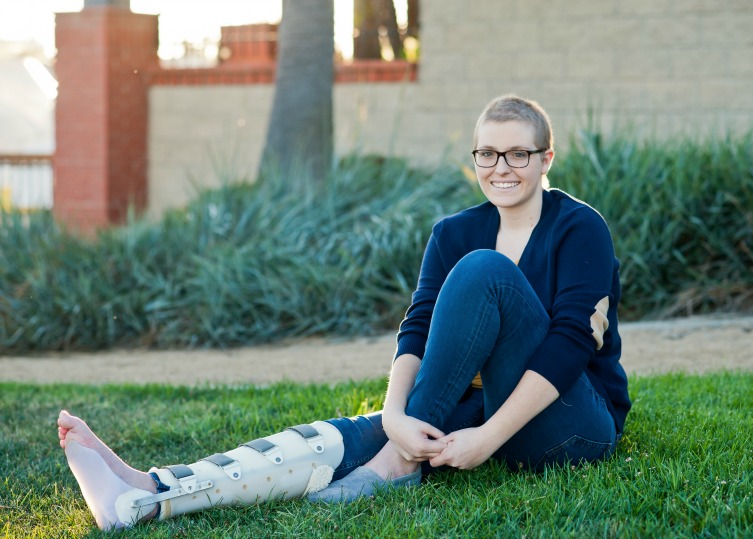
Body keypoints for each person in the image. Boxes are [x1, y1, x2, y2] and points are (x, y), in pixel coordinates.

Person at [58, 94, 631, 530]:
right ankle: (147, 492)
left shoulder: (580, 227)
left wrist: (487, 438)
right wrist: (393, 416)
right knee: (346, 438)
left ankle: (396, 467)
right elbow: (419, 326)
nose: (500, 167)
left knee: (485, 272)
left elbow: (570, 344)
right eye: (487, 153)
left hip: (569, 426)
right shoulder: (454, 231)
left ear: (545, 157)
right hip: (474, 408)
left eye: (518, 154)